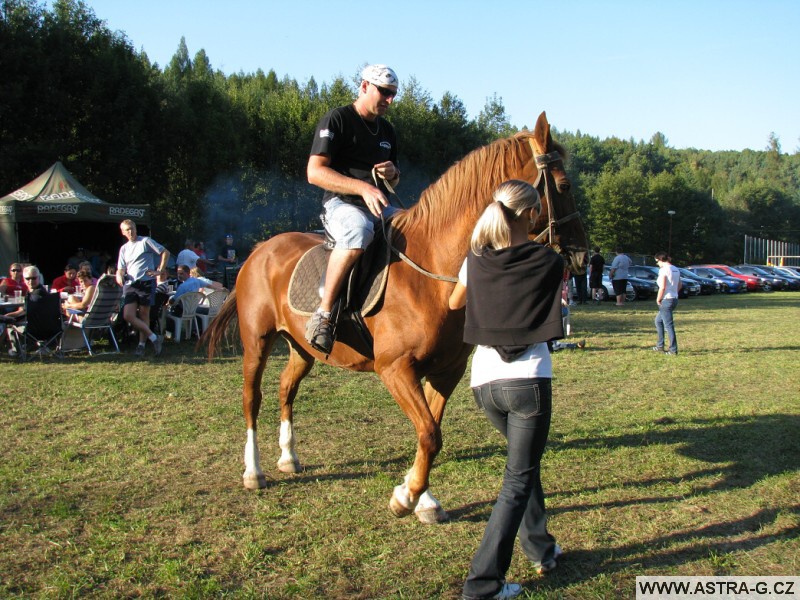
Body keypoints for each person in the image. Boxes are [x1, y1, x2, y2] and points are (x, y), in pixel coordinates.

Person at [448, 180, 564, 600]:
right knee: (517, 480)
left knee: (524, 468)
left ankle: (541, 548)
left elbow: (453, 304)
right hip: (528, 381)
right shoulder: (547, 260)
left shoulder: (475, 259)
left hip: (484, 385)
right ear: (531, 214)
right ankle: (482, 585)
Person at [305, 63, 401, 354]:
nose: (389, 100)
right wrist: (362, 187)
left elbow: (395, 177)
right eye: (384, 92)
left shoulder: (387, 130)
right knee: (358, 230)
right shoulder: (338, 119)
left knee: (416, 224)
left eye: (393, 94)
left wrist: (392, 173)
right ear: (364, 87)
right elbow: (314, 172)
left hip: (380, 204)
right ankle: (323, 315)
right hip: (340, 204)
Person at [116, 219, 169, 357]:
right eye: (127, 229)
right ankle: (154, 338)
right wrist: (119, 275)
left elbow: (165, 252)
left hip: (146, 282)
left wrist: (160, 270)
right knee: (128, 315)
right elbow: (120, 268)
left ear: (136, 228)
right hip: (130, 284)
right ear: (123, 232)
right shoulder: (124, 249)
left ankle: (141, 345)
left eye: (132, 228)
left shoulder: (145, 241)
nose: (131, 231)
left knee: (144, 315)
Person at [2, 265, 48, 356]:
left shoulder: (36, 294)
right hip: (49, 327)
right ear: (24, 279)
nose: (30, 281)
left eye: (33, 278)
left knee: (10, 324)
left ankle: (16, 351)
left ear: (38, 278)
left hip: (34, 328)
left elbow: (23, 312)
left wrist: (8, 316)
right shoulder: (43, 292)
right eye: (28, 279)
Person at [653, 251, 682, 355]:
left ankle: (673, 350)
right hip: (674, 298)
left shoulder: (663, 270)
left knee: (668, 325)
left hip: (666, 299)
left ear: (661, 260)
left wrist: (658, 299)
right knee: (658, 321)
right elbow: (680, 285)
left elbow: (663, 287)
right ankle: (660, 345)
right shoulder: (675, 269)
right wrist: (674, 293)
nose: (657, 264)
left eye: (657, 261)